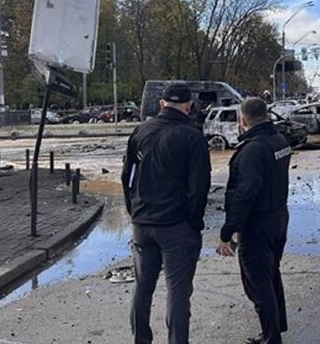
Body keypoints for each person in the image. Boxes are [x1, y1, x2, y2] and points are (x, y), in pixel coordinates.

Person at [122, 83, 211, 344]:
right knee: (178, 293)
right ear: (189, 106)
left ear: (161, 104)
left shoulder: (140, 131)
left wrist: (133, 210)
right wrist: (194, 222)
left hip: (142, 223)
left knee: (142, 287)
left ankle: (141, 340)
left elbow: (127, 177)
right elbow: (199, 186)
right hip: (176, 225)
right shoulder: (192, 136)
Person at [217, 98, 292, 344]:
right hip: (278, 218)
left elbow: (245, 194)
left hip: (257, 224)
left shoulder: (253, 150)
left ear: (243, 120)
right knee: (271, 275)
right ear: (267, 115)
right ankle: (275, 329)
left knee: (258, 284)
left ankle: (271, 338)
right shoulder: (279, 140)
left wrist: (228, 231)